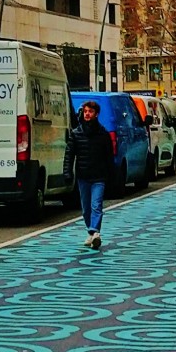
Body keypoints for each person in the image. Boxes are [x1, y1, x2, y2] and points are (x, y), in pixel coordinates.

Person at [63, 100, 114, 250]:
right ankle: (91, 232)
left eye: (90, 112)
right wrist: (67, 172)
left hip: (99, 177)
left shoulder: (103, 134)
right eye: (85, 111)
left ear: (96, 114)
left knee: (96, 205)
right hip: (83, 176)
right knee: (86, 209)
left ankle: (95, 232)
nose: (87, 114)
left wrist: (111, 176)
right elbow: (69, 155)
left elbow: (109, 157)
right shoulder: (76, 134)